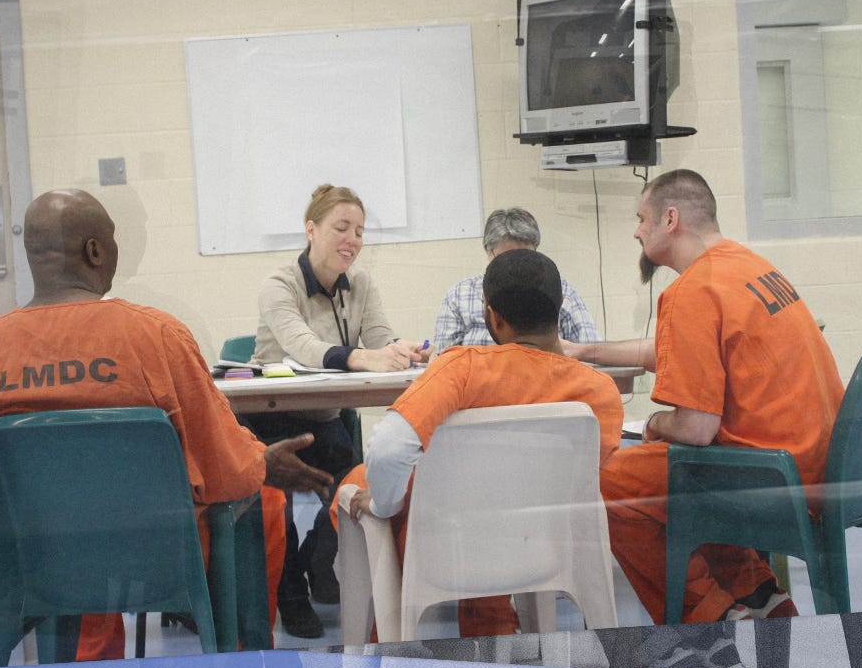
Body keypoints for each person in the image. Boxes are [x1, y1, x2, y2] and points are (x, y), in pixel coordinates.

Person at [0, 188, 332, 661]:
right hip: (159, 560)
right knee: (264, 504)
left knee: (68, 514)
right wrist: (262, 461)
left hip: (33, 563)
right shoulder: (157, 336)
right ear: (95, 251)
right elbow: (225, 471)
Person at [565, 169, 844, 624]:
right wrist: (584, 350)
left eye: (641, 218)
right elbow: (680, 348)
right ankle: (758, 597)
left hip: (772, 478)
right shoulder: (747, 265)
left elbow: (696, 430)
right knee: (662, 476)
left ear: (669, 219)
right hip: (816, 462)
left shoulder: (691, 291)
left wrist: (654, 426)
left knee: (607, 482)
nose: (636, 230)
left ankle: (710, 618)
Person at [334, 248, 624, 637]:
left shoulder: (463, 369)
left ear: (494, 316)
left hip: (448, 549)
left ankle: (378, 638)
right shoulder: (600, 393)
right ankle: (494, 632)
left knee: (364, 482)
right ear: (559, 310)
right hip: (543, 550)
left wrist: (385, 505)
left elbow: (388, 449)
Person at [247, 183, 429, 638]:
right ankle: (290, 598)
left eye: (360, 231)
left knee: (357, 488)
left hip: (325, 418)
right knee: (277, 502)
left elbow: (380, 337)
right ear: (311, 230)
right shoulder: (278, 284)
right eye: (341, 228)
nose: (352, 240)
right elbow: (302, 347)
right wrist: (361, 356)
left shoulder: (362, 284)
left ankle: (315, 558)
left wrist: (398, 349)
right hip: (267, 421)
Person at [431, 207, 600, 353]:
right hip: (482, 387)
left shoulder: (558, 287)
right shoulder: (459, 295)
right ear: (488, 251)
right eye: (507, 258)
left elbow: (590, 350)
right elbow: (443, 359)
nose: (516, 267)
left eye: (525, 256)